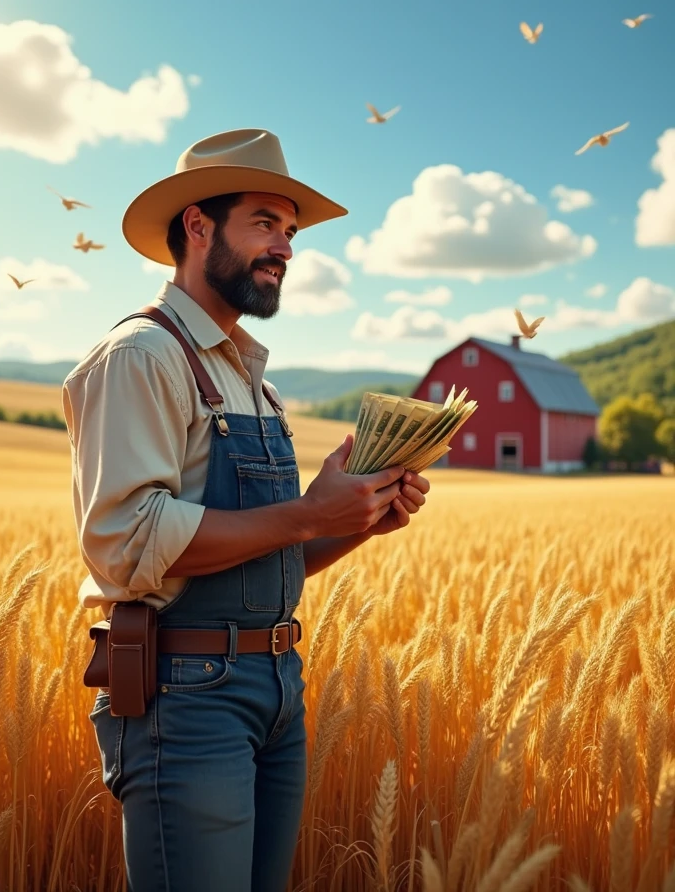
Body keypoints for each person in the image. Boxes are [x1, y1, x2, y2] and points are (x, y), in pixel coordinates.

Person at [62, 128, 431, 892]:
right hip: (183, 696)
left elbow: (265, 556)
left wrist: (355, 519)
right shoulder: (143, 356)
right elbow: (128, 544)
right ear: (198, 225)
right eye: (265, 222)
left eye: (290, 232)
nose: (285, 249)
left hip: (276, 688)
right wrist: (306, 514)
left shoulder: (252, 382)